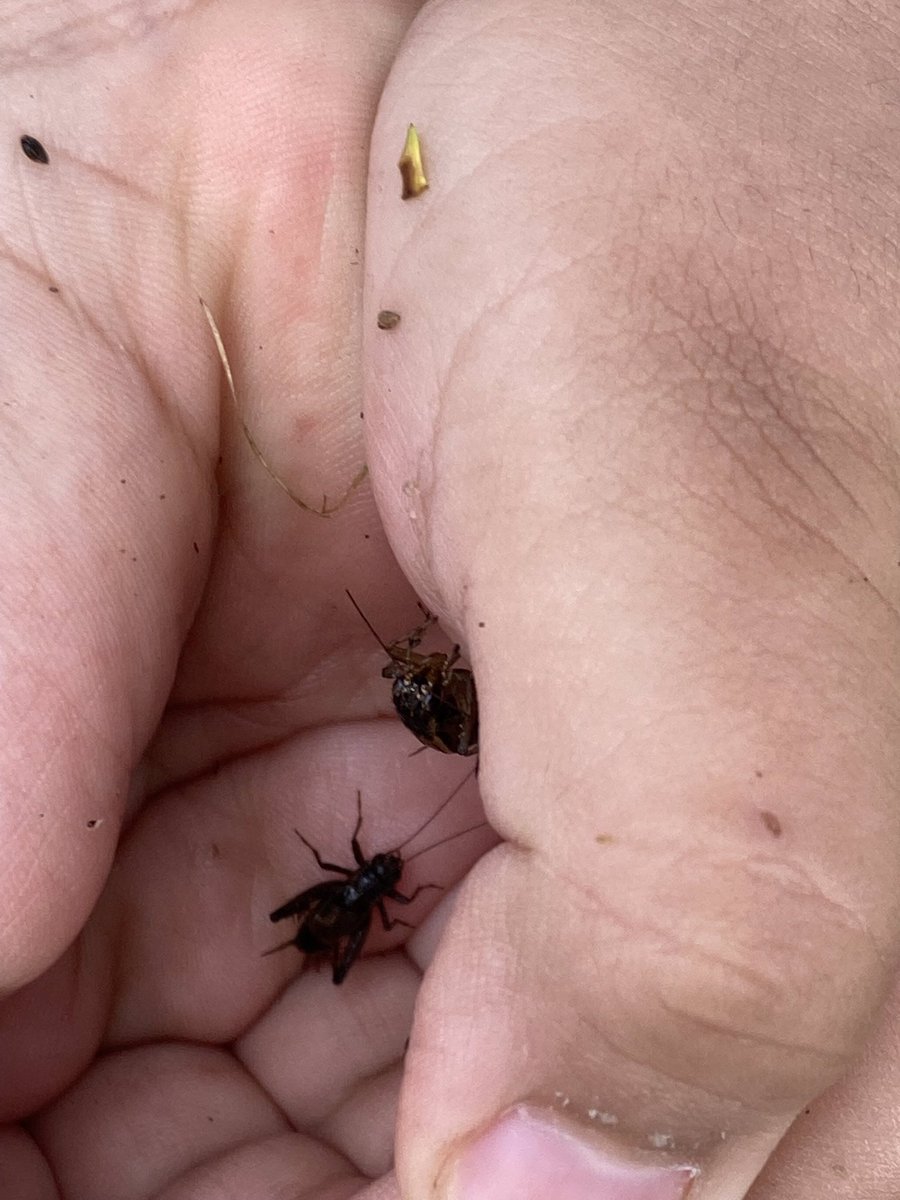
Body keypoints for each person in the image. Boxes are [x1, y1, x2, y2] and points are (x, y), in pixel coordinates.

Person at [1, 1, 897, 1197]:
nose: (371, 878)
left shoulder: (362, 877)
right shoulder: (368, 880)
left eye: (371, 878)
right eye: (374, 879)